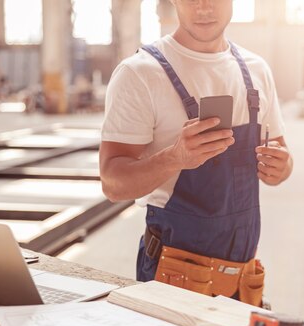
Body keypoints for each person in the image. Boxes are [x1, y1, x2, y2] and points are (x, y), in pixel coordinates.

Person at [100, 0, 292, 306]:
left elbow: (281, 153)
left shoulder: (256, 71)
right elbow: (112, 184)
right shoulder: (140, 74)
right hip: (172, 279)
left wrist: (282, 167)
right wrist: (175, 157)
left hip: (242, 282)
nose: (203, 8)